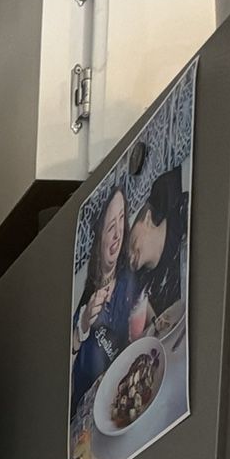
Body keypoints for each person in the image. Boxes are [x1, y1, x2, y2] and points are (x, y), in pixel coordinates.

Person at [71, 181, 135, 413]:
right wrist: (84, 323)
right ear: (99, 239)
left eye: (122, 220)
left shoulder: (128, 281)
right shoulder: (86, 298)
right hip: (83, 414)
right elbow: (67, 354)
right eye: (110, 227)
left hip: (118, 405)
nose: (118, 233)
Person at [127, 167, 187, 325]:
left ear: (146, 219)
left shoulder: (182, 211)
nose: (129, 256)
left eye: (131, 243)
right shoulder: (141, 284)